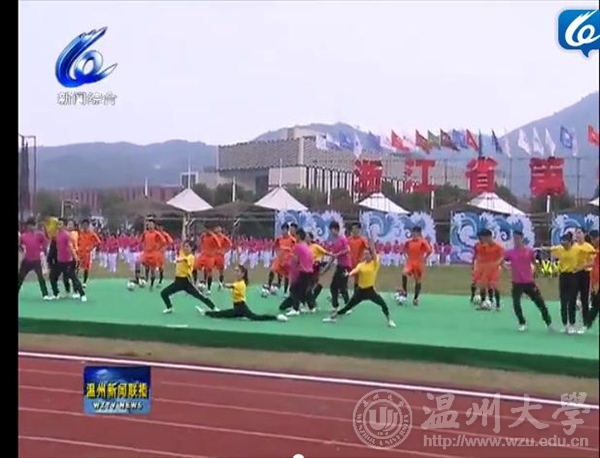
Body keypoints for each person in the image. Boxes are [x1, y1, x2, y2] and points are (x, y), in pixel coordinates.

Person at [323, 237, 395, 327]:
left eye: (367, 254)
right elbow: (355, 271)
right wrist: (348, 274)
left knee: (383, 304)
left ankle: (389, 320)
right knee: (348, 306)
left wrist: (371, 245)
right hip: (360, 291)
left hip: (370, 290)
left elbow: (374, 253)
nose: (365, 255)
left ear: (371, 255)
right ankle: (333, 317)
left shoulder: (375, 263)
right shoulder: (361, 265)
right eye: (364, 254)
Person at [198, 264, 287, 321]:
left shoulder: (241, 284)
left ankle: (276, 317)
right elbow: (232, 285)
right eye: (235, 271)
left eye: (238, 271)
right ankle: (206, 312)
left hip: (241, 307)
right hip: (237, 307)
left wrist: (223, 285)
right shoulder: (239, 282)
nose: (236, 273)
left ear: (243, 274)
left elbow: (231, 286)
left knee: (256, 317)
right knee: (223, 314)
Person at [503, 230, 552, 332]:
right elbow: (501, 261)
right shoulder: (510, 252)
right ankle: (522, 322)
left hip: (528, 282)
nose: (516, 240)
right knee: (516, 303)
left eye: (518, 238)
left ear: (522, 238)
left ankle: (548, 322)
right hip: (517, 282)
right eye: (514, 238)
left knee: (539, 302)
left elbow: (535, 263)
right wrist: (507, 268)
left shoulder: (529, 251)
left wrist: (537, 271)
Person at [160, 240, 218, 314]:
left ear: (191, 248)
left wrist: (179, 259)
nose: (185, 248)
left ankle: (214, 308)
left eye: (187, 246)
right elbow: (183, 241)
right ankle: (169, 307)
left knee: (199, 296)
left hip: (186, 281)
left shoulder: (191, 257)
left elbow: (185, 260)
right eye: (184, 246)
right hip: (178, 281)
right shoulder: (182, 253)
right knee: (164, 293)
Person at [547, 233, 581, 334]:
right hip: (563, 276)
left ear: (570, 242)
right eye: (562, 242)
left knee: (572, 301)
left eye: (565, 242)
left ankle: (572, 324)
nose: (563, 244)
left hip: (573, 276)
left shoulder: (577, 249)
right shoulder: (559, 248)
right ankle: (565, 324)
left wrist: (581, 266)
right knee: (563, 302)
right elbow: (549, 249)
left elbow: (590, 253)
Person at [279, 228, 317, 316]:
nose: (295, 237)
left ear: (299, 236)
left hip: (303, 271)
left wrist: (286, 263)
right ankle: (311, 307)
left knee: (294, 290)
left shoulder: (298, 246)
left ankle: (296, 309)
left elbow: (295, 262)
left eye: (296, 235)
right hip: (309, 271)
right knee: (304, 291)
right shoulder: (306, 246)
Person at [49, 218, 87, 302]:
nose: (58, 226)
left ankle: (82, 294)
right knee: (52, 277)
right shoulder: (57, 235)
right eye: (58, 224)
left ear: (64, 226)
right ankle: (56, 294)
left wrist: (75, 257)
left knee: (73, 278)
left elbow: (71, 246)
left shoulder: (66, 235)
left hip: (68, 261)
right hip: (59, 261)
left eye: (60, 224)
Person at [399, 226, 432, 306]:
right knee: (404, 273)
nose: (413, 234)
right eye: (412, 232)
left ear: (419, 233)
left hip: (418, 263)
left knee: (417, 281)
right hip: (410, 262)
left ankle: (415, 298)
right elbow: (403, 250)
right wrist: (406, 257)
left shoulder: (423, 242)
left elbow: (429, 250)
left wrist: (425, 258)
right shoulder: (409, 242)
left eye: (414, 232)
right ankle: (404, 291)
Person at [18, 218, 51, 299]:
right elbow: (20, 245)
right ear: (28, 226)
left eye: (34, 225)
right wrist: (22, 250)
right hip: (27, 260)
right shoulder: (23, 236)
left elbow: (46, 242)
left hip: (37, 260)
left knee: (40, 277)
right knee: (20, 277)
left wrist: (42, 248)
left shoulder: (40, 234)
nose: (33, 227)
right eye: (31, 225)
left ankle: (45, 294)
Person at [473, 229, 503, 310]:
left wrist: (498, 263)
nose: (481, 240)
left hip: (494, 269)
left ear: (488, 237)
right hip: (483, 268)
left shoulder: (498, 247)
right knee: (482, 286)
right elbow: (479, 256)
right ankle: (483, 303)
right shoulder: (481, 246)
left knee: (493, 286)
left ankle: (497, 305)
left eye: (482, 238)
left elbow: (502, 257)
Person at [573, 227, 596, 330]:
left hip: (585, 274)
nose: (577, 235)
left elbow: (592, 262)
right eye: (576, 233)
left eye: (579, 233)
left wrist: (582, 266)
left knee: (584, 298)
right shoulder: (573, 247)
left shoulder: (589, 247)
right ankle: (571, 322)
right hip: (574, 274)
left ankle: (585, 323)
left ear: (584, 234)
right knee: (572, 297)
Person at [264, 223, 296, 294]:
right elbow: (275, 246)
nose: (283, 232)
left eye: (284, 230)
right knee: (272, 269)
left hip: (287, 261)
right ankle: (269, 286)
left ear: (287, 230)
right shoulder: (279, 239)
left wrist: (291, 258)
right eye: (282, 230)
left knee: (286, 276)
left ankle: (285, 291)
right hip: (279, 259)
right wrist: (275, 254)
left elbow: (295, 249)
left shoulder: (292, 240)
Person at [328, 221, 352, 310]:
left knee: (343, 286)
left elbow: (347, 249)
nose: (331, 232)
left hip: (346, 266)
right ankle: (335, 306)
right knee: (333, 286)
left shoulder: (343, 238)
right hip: (340, 266)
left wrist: (338, 254)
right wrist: (326, 267)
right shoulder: (335, 241)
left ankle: (348, 306)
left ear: (336, 229)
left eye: (332, 230)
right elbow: (333, 256)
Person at [140, 219, 167, 290]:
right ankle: (146, 279)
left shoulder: (157, 233)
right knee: (145, 266)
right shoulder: (145, 233)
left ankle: (152, 284)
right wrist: (143, 246)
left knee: (153, 269)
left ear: (154, 226)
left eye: (151, 224)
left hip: (154, 253)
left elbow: (164, 241)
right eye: (149, 224)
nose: (150, 226)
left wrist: (159, 248)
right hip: (147, 253)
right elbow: (141, 240)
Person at [77, 219, 101, 287]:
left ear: (88, 226)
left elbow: (98, 242)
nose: (84, 227)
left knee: (86, 268)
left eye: (86, 225)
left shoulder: (91, 234)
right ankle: (75, 280)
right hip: (79, 252)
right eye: (83, 225)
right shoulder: (80, 233)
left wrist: (91, 247)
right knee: (77, 267)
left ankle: (84, 282)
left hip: (87, 253)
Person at [307, 231, 330, 301]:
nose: (306, 238)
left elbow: (325, 252)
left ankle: (312, 298)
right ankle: (311, 299)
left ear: (311, 238)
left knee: (312, 283)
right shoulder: (304, 247)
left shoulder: (315, 246)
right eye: (305, 237)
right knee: (308, 284)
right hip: (306, 268)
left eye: (308, 237)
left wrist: (333, 255)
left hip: (315, 267)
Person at [348, 223, 369, 293]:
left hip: (358, 263)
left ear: (358, 229)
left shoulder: (362, 240)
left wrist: (364, 258)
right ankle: (341, 292)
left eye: (355, 228)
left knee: (357, 279)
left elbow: (368, 249)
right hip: (349, 262)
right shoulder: (349, 239)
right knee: (343, 276)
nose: (353, 230)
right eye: (352, 228)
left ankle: (356, 293)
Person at [586, 230, 599, 329]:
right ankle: (587, 324)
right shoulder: (596, 250)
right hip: (595, 281)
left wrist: (597, 283)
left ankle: (587, 323)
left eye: (593, 239)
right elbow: (594, 264)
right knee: (595, 304)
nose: (592, 241)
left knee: (596, 304)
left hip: (598, 282)